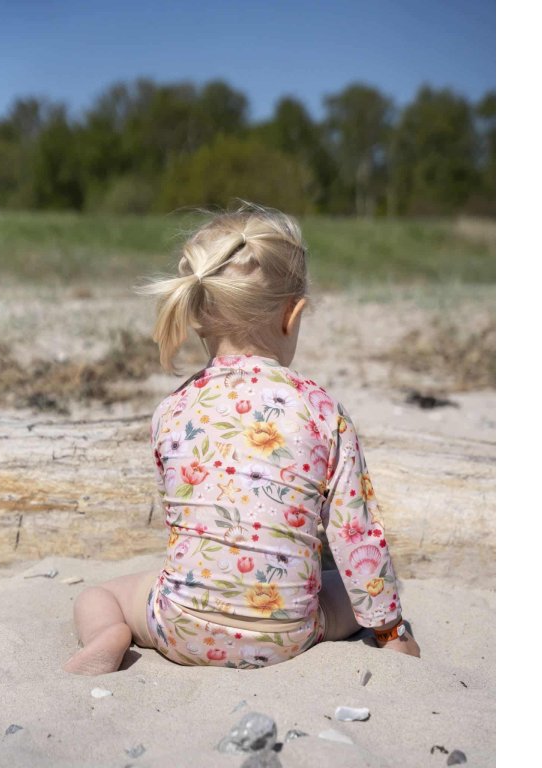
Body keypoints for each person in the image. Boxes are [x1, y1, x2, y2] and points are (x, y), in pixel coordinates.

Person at [63, 204, 420, 675]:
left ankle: (107, 634)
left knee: (99, 595)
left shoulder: (173, 408)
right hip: (287, 636)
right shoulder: (321, 409)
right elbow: (355, 532)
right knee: (343, 584)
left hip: (180, 628)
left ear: (197, 312)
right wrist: (391, 631)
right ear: (292, 315)